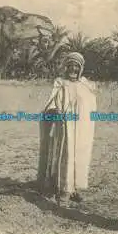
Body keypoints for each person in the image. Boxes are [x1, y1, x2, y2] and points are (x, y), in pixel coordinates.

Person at [37, 52, 97, 207]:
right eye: (70, 66)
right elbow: (51, 104)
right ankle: (63, 191)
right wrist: (56, 112)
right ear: (66, 67)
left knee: (80, 157)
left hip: (82, 130)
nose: (73, 69)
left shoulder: (86, 85)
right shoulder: (60, 83)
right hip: (66, 128)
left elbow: (91, 106)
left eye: (77, 67)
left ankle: (74, 188)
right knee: (66, 157)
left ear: (81, 68)